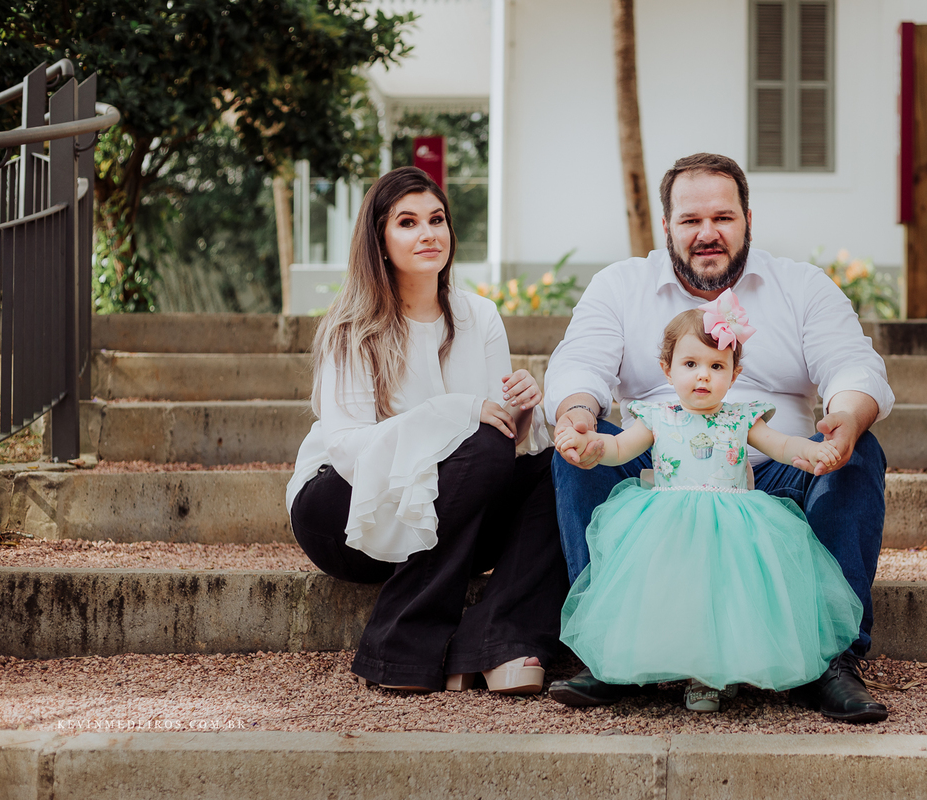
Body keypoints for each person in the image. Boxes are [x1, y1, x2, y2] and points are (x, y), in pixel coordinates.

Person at [544, 153, 894, 723]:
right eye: (690, 220)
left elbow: (854, 366)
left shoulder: (801, 286)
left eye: (724, 217)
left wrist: (847, 418)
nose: (708, 233)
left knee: (861, 453)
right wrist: (578, 415)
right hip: (658, 471)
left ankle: (832, 658)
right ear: (667, 226)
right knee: (582, 453)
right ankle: (607, 650)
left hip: (772, 471)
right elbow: (580, 365)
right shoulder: (621, 285)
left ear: (748, 218)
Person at [286, 166, 568, 695]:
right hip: (345, 511)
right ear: (379, 240)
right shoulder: (352, 328)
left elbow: (496, 443)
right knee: (476, 437)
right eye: (408, 222)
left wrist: (522, 414)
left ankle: (495, 639)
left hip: (453, 510)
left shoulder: (478, 317)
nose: (428, 233)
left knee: (558, 469)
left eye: (437, 220)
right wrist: (457, 411)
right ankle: (402, 644)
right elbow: (347, 450)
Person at [555, 300, 864, 712]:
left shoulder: (742, 418)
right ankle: (648, 662)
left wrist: (813, 451)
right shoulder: (655, 416)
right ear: (667, 368)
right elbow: (620, 447)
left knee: (722, 595)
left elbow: (783, 445)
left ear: (735, 374)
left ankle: (711, 675)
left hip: (732, 524)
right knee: (670, 594)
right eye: (690, 364)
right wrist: (594, 446)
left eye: (717, 367)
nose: (703, 375)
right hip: (669, 524)